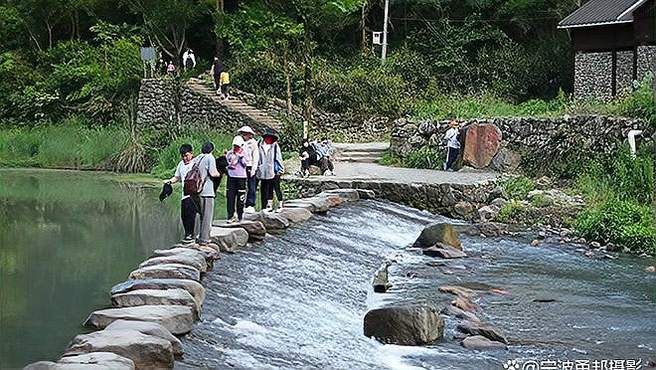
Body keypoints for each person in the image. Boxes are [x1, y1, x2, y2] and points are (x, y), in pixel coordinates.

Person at [164, 144, 197, 243]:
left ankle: (190, 235)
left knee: (191, 214)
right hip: (185, 193)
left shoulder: (196, 163)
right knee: (184, 215)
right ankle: (187, 234)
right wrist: (169, 181)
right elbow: (177, 177)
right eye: (182, 156)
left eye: (186, 155)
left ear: (191, 153)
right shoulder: (181, 164)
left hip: (194, 194)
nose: (185, 158)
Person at [195, 142, 222, 245]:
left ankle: (199, 236)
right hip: (207, 191)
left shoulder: (198, 158)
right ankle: (204, 240)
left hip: (197, 190)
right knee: (207, 216)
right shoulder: (210, 157)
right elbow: (213, 173)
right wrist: (219, 173)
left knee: (201, 215)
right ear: (211, 150)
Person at [257, 129, 284, 212]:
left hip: (272, 170)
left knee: (274, 187)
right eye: (268, 137)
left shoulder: (275, 146)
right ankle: (264, 207)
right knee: (263, 189)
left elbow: (278, 158)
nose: (269, 139)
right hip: (262, 171)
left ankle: (279, 204)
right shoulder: (259, 144)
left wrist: (281, 169)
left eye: (271, 138)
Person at [226, 136, 250, 223]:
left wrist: (240, 157)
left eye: (238, 146)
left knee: (240, 198)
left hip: (241, 178)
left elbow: (245, 164)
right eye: (235, 146)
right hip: (231, 177)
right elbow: (227, 163)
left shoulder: (245, 154)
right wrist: (231, 161)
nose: (236, 148)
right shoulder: (230, 153)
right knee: (230, 197)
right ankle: (230, 216)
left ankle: (240, 216)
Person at [238, 126, 259, 213]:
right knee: (241, 186)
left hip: (250, 165)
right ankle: (240, 203)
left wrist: (254, 168)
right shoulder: (239, 141)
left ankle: (250, 204)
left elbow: (256, 156)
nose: (244, 135)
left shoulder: (253, 143)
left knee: (251, 185)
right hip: (240, 166)